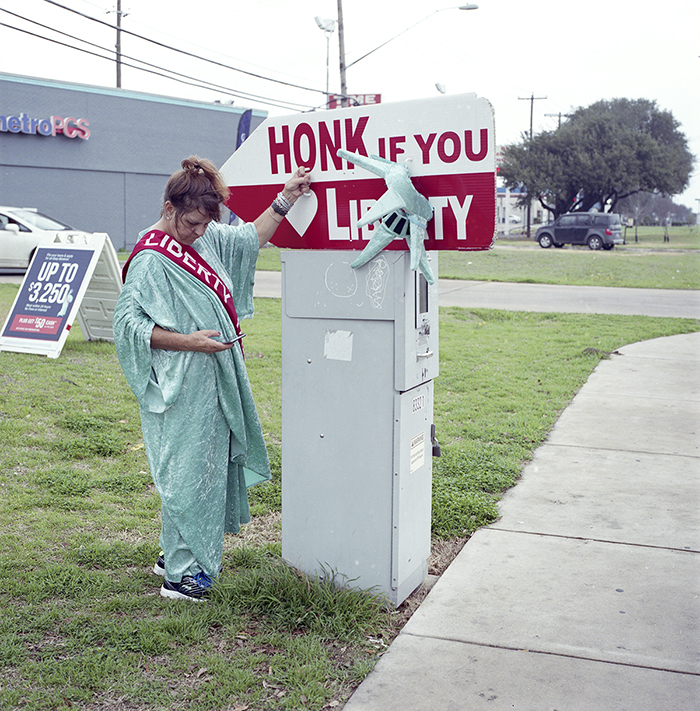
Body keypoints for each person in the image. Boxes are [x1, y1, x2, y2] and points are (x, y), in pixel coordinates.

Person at [113, 156, 311, 601]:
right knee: (187, 472)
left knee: (202, 469)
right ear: (169, 208)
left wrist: (286, 198)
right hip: (182, 384)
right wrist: (191, 343)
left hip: (214, 379)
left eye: (205, 225)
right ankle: (182, 575)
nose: (200, 233)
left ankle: (174, 552)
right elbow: (128, 326)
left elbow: (249, 239)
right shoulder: (150, 260)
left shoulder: (205, 237)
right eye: (192, 224)